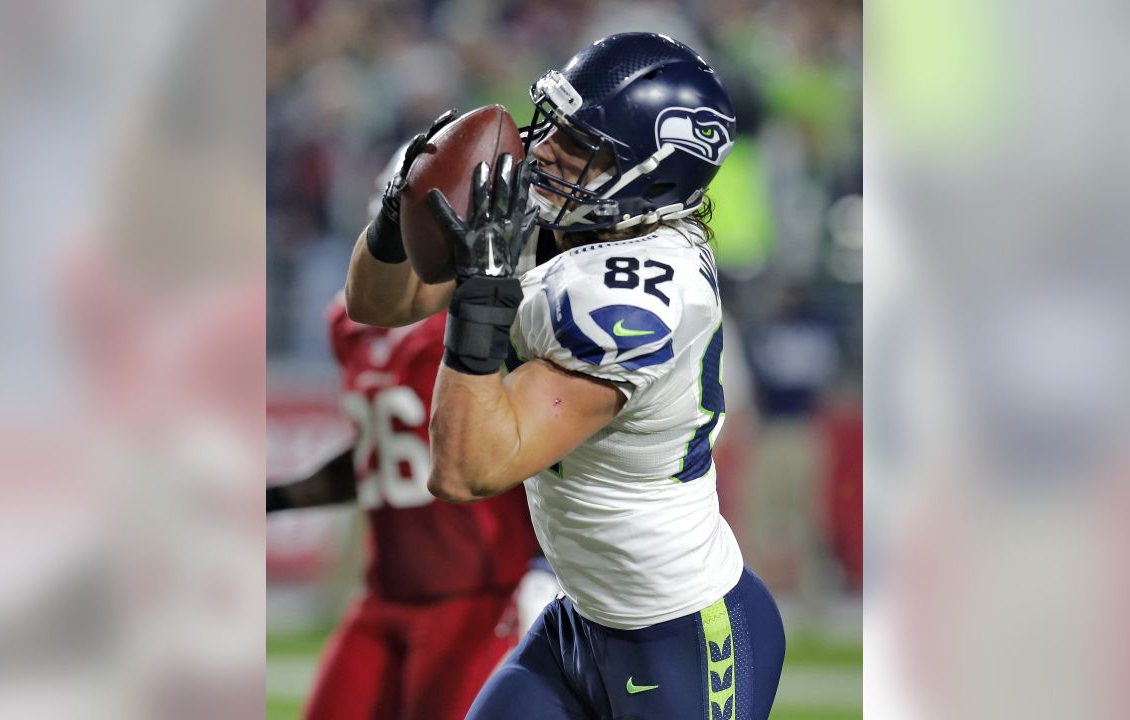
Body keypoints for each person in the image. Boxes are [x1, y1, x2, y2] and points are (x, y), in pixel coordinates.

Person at [345, 32, 785, 720]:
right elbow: (379, 305)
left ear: (655, 175)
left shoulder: (643, 295)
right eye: (554, 125)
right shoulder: (571, 222)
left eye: (581, 146)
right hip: (579, 621)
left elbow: (467, 470)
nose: (544, 151)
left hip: (680, 637)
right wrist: (400, 213)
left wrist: (484, 296)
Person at [267, 296, 551, 718]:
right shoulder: (353, 322)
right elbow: (380, 455)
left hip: (477, 596)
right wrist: (273, 499)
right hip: (385, 592)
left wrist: (547, 564)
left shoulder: (482, 314)